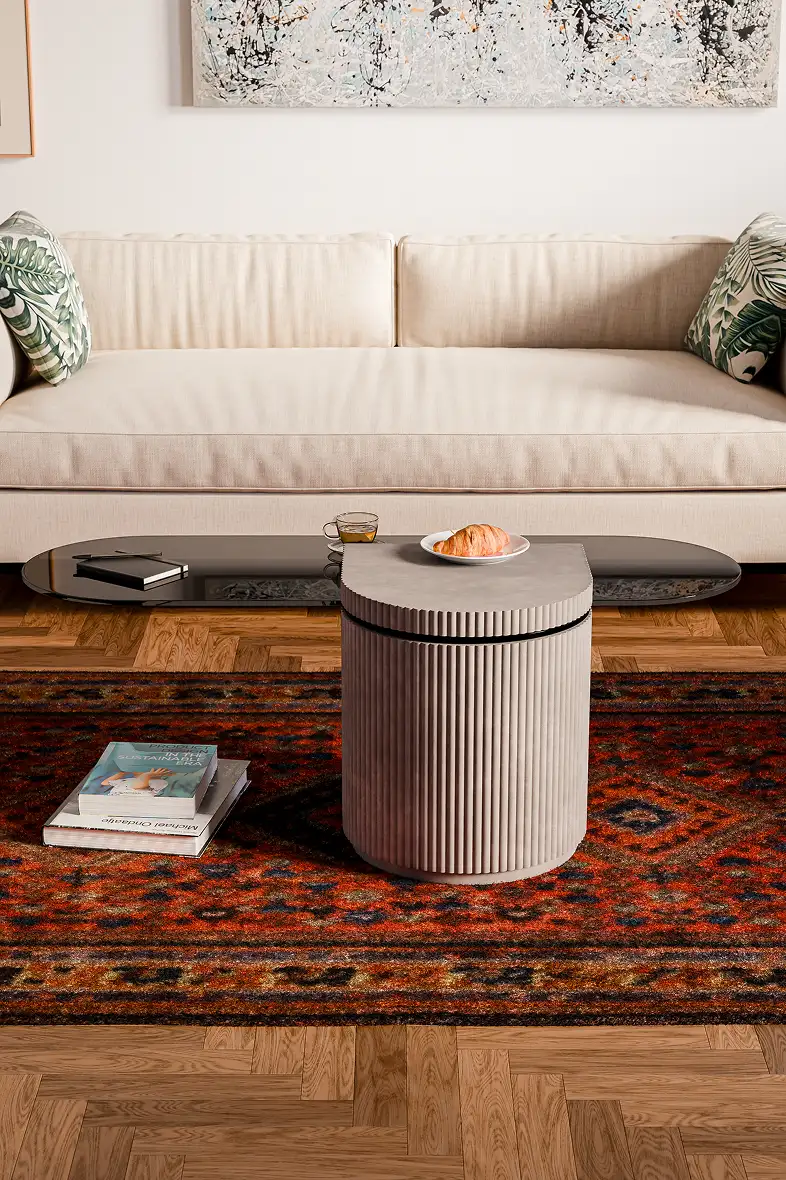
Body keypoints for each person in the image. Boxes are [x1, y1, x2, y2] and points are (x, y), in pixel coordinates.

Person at [100, 768, 173, 796]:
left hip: (131, 804)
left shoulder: (160, 782)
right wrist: (121, 773)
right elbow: (105, 783)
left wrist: (147, 775)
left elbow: (137, 786)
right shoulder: (128, 780)